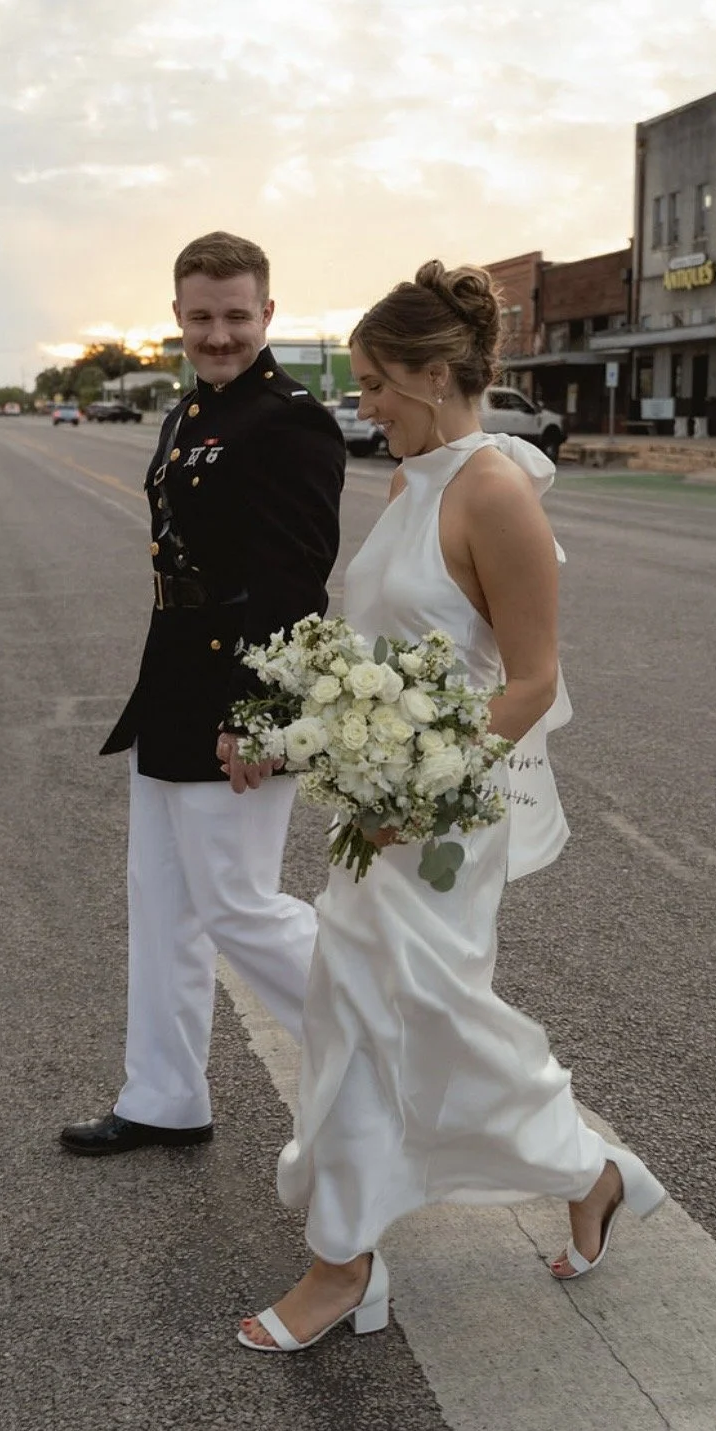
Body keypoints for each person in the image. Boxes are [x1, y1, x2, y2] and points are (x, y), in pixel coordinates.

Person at [236, 261, 665, 1354]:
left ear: (435, 376)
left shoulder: (495, 492)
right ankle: (352, 1257)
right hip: (373, 810)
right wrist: (319, 746)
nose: (363, 403)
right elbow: (375, 658)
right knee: (355, 1017)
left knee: (418, 1016)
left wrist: (423, 788)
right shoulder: (407, 483)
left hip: (442, 819)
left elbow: (529, 682)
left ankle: (570, 1176)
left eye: (377, 382)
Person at [61, 231, 346, 1158]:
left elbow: (297, 582)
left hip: (239, 688)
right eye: (200, 317)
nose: (218, 333)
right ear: (176, 318)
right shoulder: (188, 411)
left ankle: (382, 1038)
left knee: (235, 902)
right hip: (173, 681)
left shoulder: (290, 419)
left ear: (268, 313)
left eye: (235, 316)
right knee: (163, 904)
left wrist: (255, 711)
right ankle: (164, 1096)